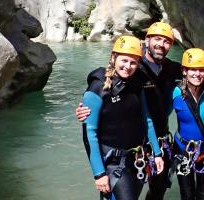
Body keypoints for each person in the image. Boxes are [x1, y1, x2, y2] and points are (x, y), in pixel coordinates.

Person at [78, 22, 182, 200]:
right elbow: (102, 88)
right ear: (146, 40)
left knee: (159, 188)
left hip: (154, 141)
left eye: (166, 41)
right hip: (122, 152)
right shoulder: (132, 71)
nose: (161, 44)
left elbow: (199, 72)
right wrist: (87, 105)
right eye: (157, 39)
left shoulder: (169, 70)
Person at [172, 48, 204, 200]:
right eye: (193, 70)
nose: (197, 74)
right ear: (184, 71)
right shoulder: (175, 92)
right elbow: (156, 114)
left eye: (201, 70)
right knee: (187, 196)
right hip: (182, 150)